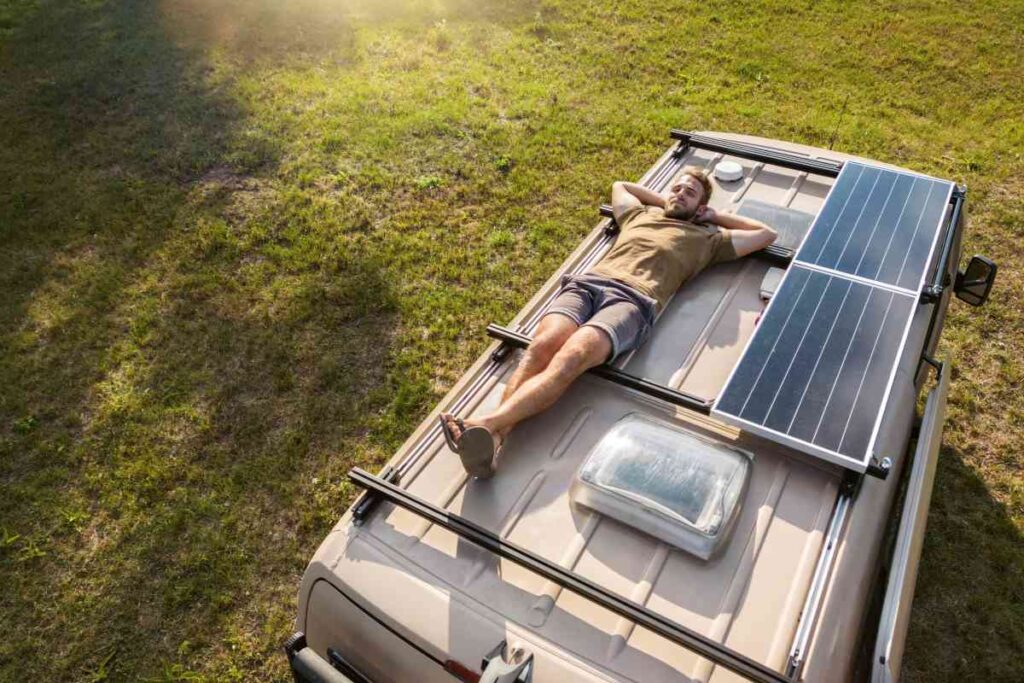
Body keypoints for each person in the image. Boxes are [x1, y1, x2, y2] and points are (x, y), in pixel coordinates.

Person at [440, 166, 777, 478]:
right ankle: (494, 439)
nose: (679, 193)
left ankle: (485, 423)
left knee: (570, 359)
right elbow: (621, 186)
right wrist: (669, 201)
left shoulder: (709, 240)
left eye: (689, 193)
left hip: (633, 301)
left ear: (701, 206)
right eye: (676, 188)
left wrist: (712, 216)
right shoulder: (640, 215)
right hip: (587, 285)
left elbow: (766, 233)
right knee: (541, 347)